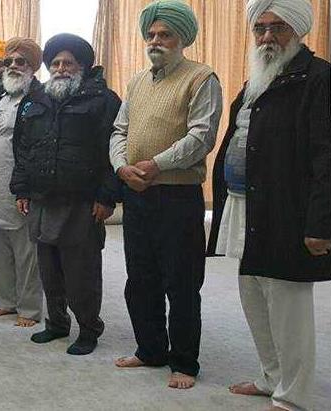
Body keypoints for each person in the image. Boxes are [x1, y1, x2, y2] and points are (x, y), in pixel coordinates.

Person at [208, 1, 331, 409]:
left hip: (289, 213)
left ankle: (294, 396)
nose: (266, 37)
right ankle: (270, 377)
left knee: (287, 306)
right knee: (253, 296)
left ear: (298, 31)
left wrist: (321, 223)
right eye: (260, 28)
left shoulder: (318, 79)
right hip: (246, 205)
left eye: (277, 28)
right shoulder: (257, 79)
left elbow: (325, 157)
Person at [109, 0, 223, 389]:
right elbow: (119, 130)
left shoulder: (202, 78)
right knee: (140, 278)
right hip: (137, 194)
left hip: (177, 196)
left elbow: (201, 136)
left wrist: (155, 165)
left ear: (182, 38)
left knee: (182, 281)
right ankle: (150, 350)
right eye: (151, 34)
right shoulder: (138, 80)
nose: (155, 40)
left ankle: (184, 363)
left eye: (165, 34)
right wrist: (121, 167)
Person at [11, 34, 121, 356]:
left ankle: (88, 328)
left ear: (82, 67)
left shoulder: (104, 100)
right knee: (49, 271)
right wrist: (21, 188)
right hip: (43, 198)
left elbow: (111, 152)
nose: (60, 68)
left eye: (68, 63)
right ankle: (57, 323)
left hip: (82, 202)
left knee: (81, 273)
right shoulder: (36, 98)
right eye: (55, 63)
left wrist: (106, 196)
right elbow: (23, 148)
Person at [0, 37, 44, 328]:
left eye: (21, 62)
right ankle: (4, 301)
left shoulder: (40, 99)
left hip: (21, 185)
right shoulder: (2, 97)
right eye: (10, 62)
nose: (14, 66)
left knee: (25, 250)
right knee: (0, 245)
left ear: (33, 66)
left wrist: (28, 187)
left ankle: (28, 309)